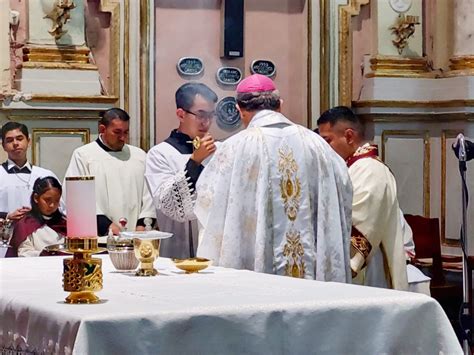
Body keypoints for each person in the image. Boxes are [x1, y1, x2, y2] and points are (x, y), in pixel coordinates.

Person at [195, 74, 352, 282]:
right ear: (280, 104)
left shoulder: (235, 147)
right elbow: (344, 189)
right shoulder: (317, 145)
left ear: (239, 110)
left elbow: (209, 207)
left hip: (256, 274)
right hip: (313, 278)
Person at [317, 106, 408, 290]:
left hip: (369, 274)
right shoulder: (351, 168)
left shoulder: (370, 170)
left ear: (349, 136)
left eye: (327, 141)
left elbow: (361, 227)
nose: (323, 149)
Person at [145, 83, 218, 258]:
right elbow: (170, 205)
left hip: (214, 250)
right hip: (178, 248)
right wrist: (195, 161)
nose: (206, 122)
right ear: (181, 114)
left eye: (210, 115)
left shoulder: (219, 151)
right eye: (200, 115)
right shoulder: (160, 153)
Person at [64, 108, 156, 236]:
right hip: (100, 237)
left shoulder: (139, 156)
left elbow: (149, 194)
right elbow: (78, 198)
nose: (123, 138)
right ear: (102, 129)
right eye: (117, 132)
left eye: (126, 132)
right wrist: (105, 225)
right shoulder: (84, 156)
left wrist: (142, 225)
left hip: (136, 238)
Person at [0, 122, 59, 221]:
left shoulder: (45, 175)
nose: (15, 143)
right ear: (3, 146)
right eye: (10, 140)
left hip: (39, 234)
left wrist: (36, 212)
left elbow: (60, 209)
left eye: (19, 139)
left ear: (28, 142)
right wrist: (6, 215)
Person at [8, 176, 67, 257]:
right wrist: (43, 254)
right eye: (47, 200)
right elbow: (24, 252)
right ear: (36, 198)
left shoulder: (64, 224)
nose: (52, 205)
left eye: (56, 200)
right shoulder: (25, 224)